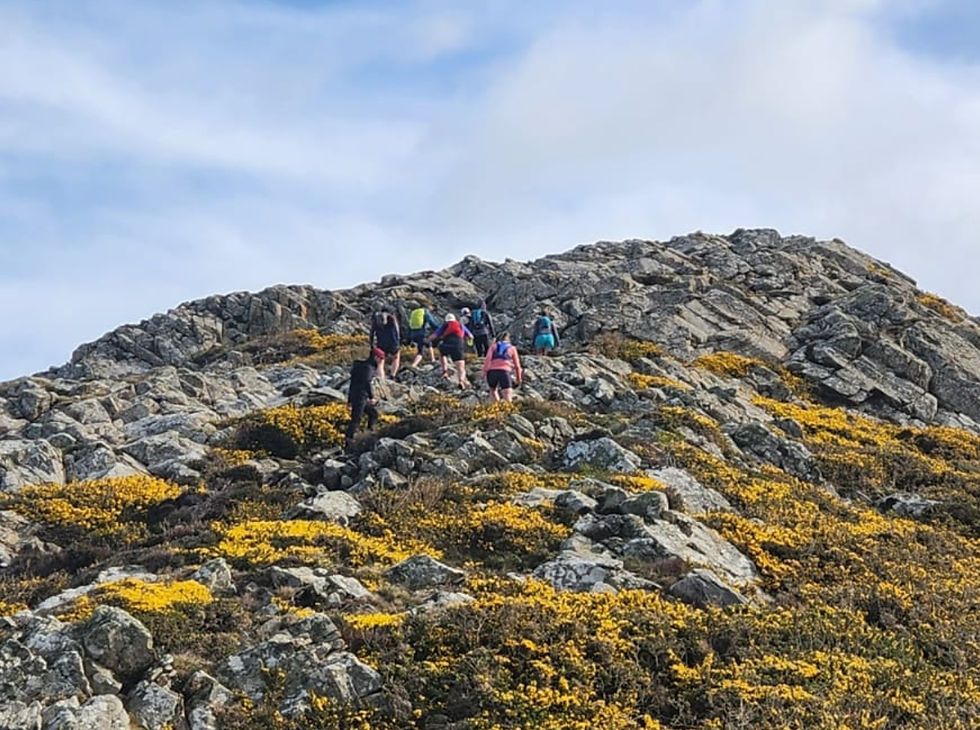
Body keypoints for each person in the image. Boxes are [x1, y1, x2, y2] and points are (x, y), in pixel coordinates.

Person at [345, 347, 384, 453]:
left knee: (373, 414)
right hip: (361, 397)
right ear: (376, 357)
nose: (382, 361)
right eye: (381, 358)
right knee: (356, 420)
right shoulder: (369, 368)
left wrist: (349, 400)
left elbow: (352, 384)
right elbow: (367, 382)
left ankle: (370, 435)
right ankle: (348, 443)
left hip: (356, 396)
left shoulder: (360, 366)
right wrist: (372, 397)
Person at [428, 313, 473, 389]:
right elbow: (471, 336)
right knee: (461, 367)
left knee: (442, 354)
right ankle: (461, 381)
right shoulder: (460, 325)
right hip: (458, 345)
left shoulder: (445, 325)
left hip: (446, 344)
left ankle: (445, 371)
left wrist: (427, 340)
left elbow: (434, 336)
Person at [482, 331, 522, 402]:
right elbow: (517, 365)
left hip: (492, 371)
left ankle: (496, 407)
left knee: (493, 390)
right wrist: (518, 378)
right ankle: (508, 410)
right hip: (504, 371)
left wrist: (484, 372)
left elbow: (487, 359)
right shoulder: (512, 348)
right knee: (507, 393)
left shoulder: (493, 346)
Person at [369, 309, 401, 380]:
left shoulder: (377, 319)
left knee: (380, 362)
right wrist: (398, 341)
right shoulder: (392, 317)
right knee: (396, 357)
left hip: (381, 343)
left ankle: (381, 378)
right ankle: (392, 375)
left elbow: (372, 333)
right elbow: (397, 330)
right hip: (393, 343)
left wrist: (372, 345)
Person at [407, 304, 440, 368]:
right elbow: (432, 322)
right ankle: (413, 365)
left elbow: (409, 325)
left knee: (429, 343)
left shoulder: (414, 313)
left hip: (413, 334)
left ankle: (433, 359)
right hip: (422, 333)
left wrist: (409, 337)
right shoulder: (425, 312)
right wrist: (439, 330)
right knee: (421, 351)